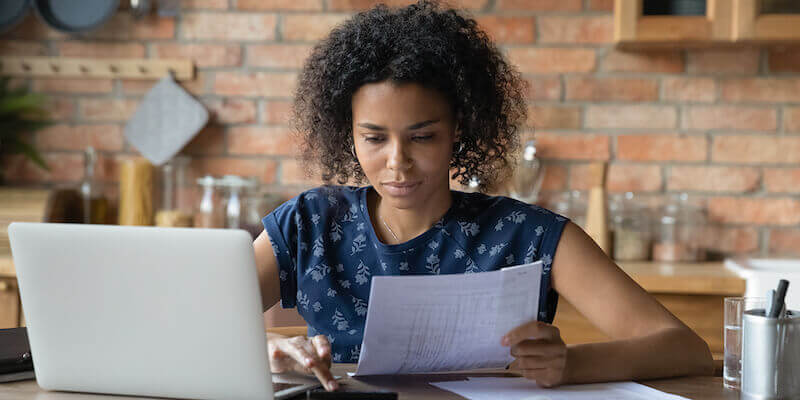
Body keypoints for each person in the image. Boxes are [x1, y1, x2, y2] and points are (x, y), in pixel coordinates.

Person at [253, 0, 713, 392]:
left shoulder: (527, 236)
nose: (397, 162)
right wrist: (264, 348)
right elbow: (189, 319)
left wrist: (573, 364)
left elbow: (684, 348)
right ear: (348, 135)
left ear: (458, 131)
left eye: (422, 137)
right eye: (375, 138)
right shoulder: (309, 224)